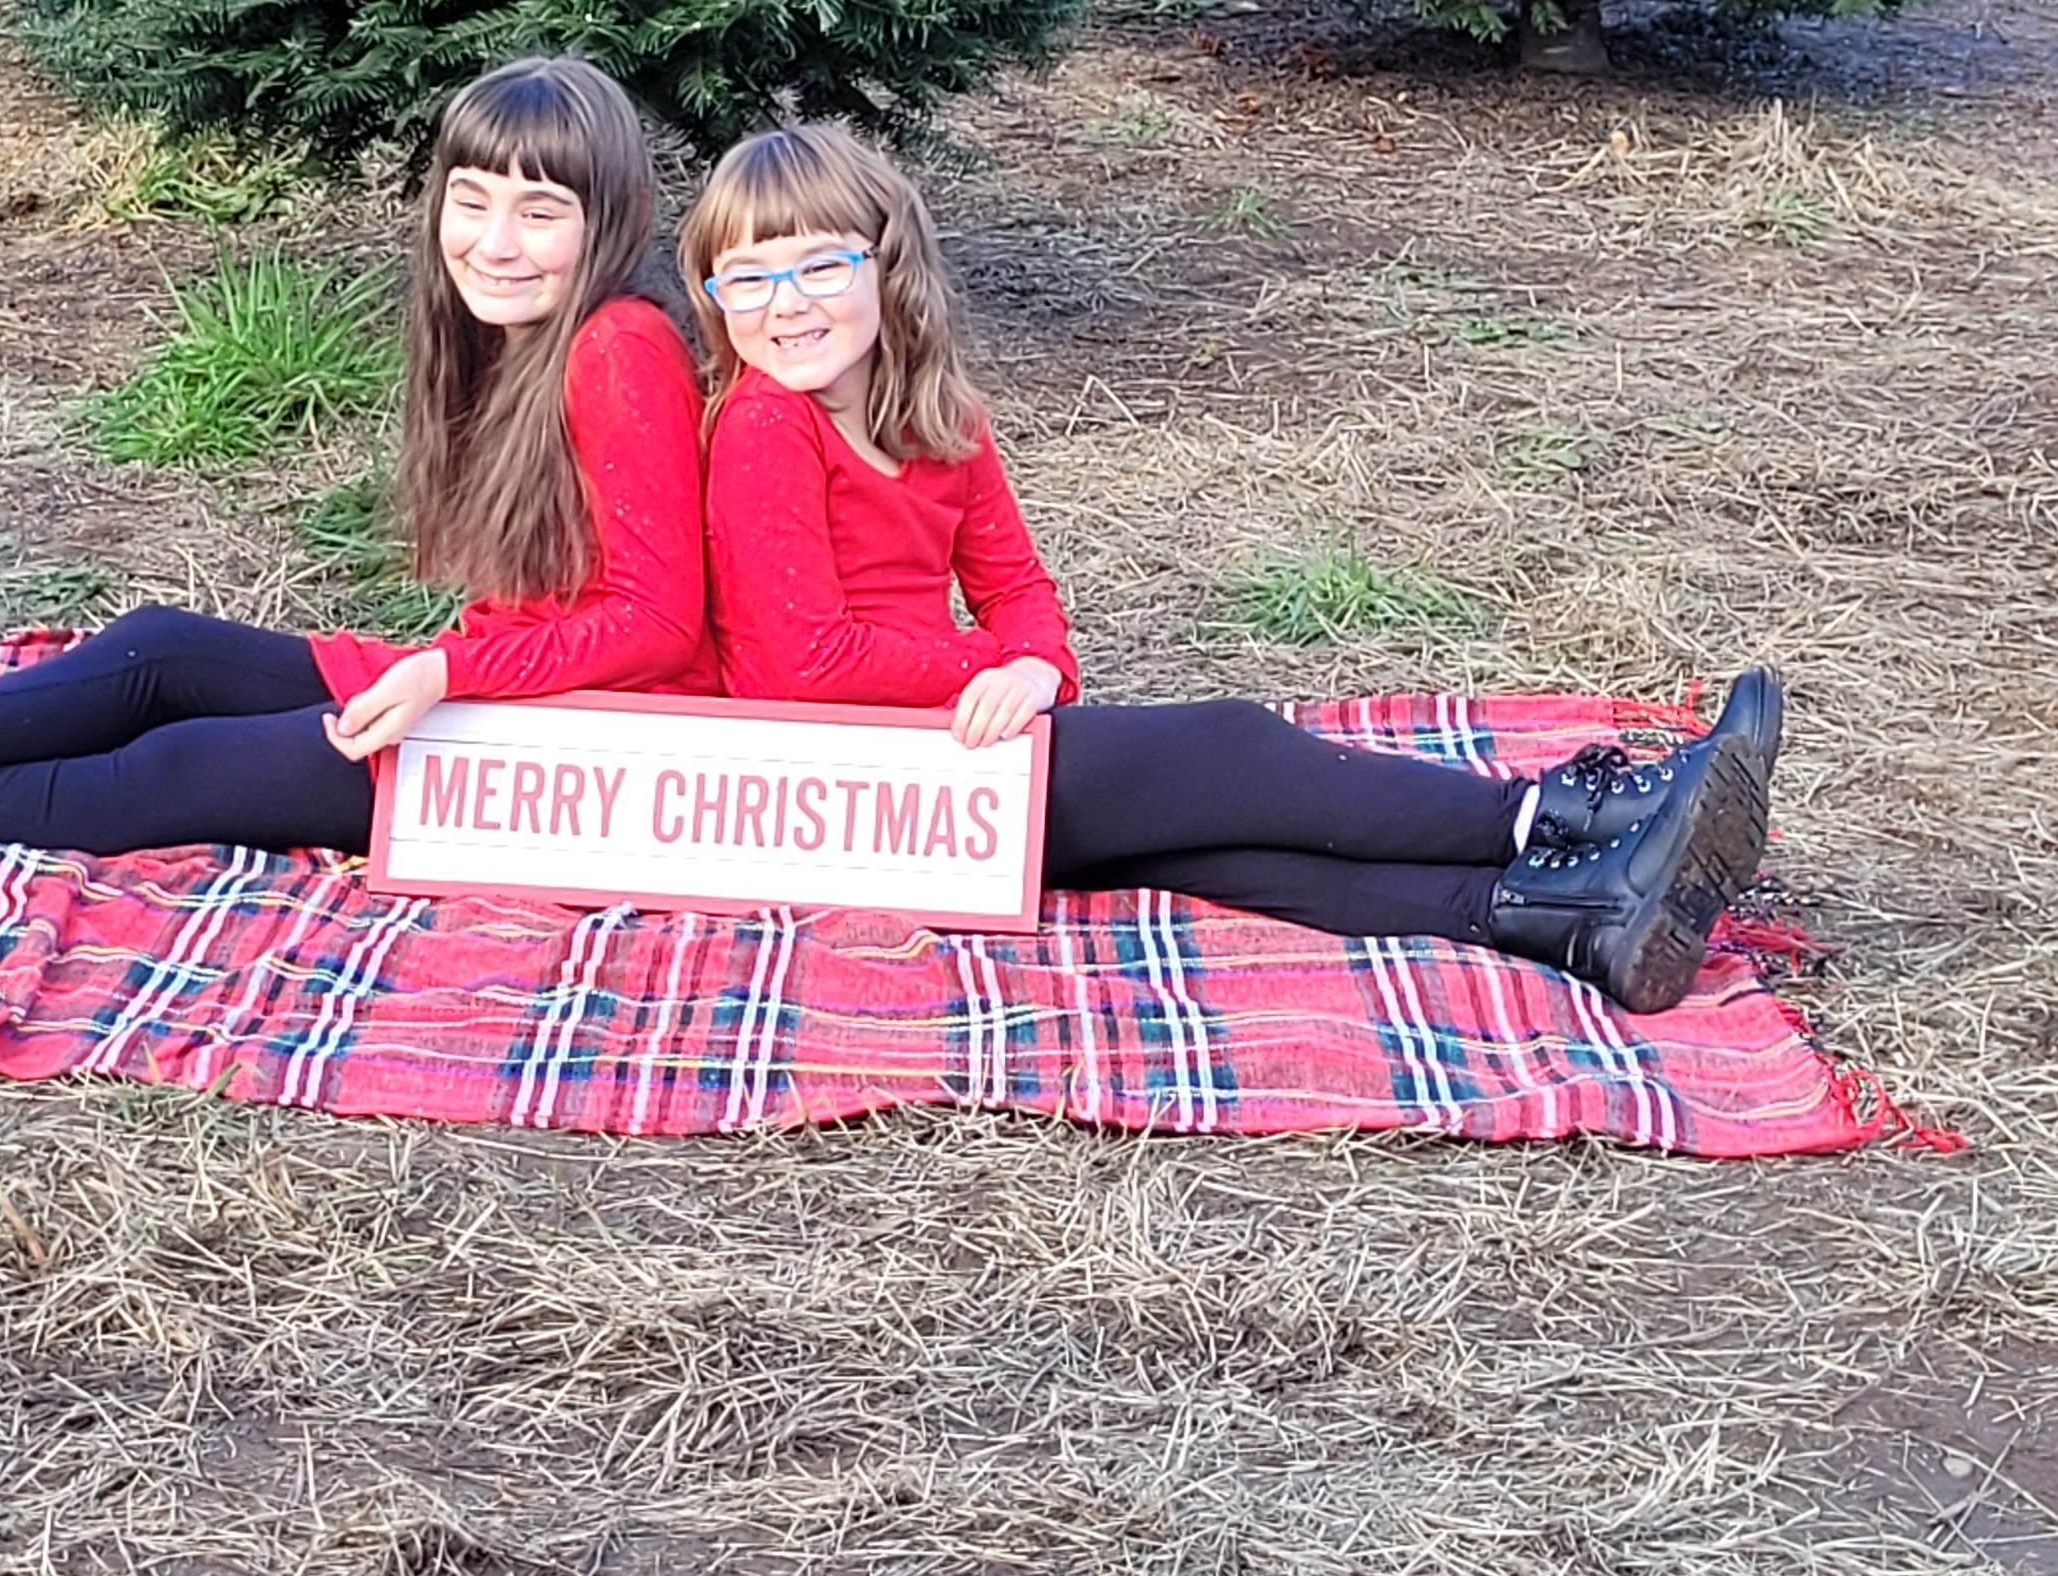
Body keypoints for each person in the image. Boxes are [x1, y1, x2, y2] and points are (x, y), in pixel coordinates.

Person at [678, 123, 1779, 1011]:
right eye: (749, 281)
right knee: (1228, 748)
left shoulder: (941, 417)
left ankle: (1576, 918)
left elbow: (1016, 589)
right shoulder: (765, 424)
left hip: (948, 751)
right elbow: (805, 661)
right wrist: (990, 672)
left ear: (887, 265)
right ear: (715, 298)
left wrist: (1037, 666)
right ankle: (1561, 816)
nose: (789, 305)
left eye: (821, 266)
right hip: (838, 780)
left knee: (1213, 848)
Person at [0, 57, 717, 886]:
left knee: (174, 767)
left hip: (587, 752)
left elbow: (661, 622)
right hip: (516, 691)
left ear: (607, 222)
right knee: (162, 648)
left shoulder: (620, 347)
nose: (495, 241)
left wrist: (446, 673)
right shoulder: (520, 338)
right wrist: (449, 668)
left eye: (539, 212)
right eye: (471, 201)